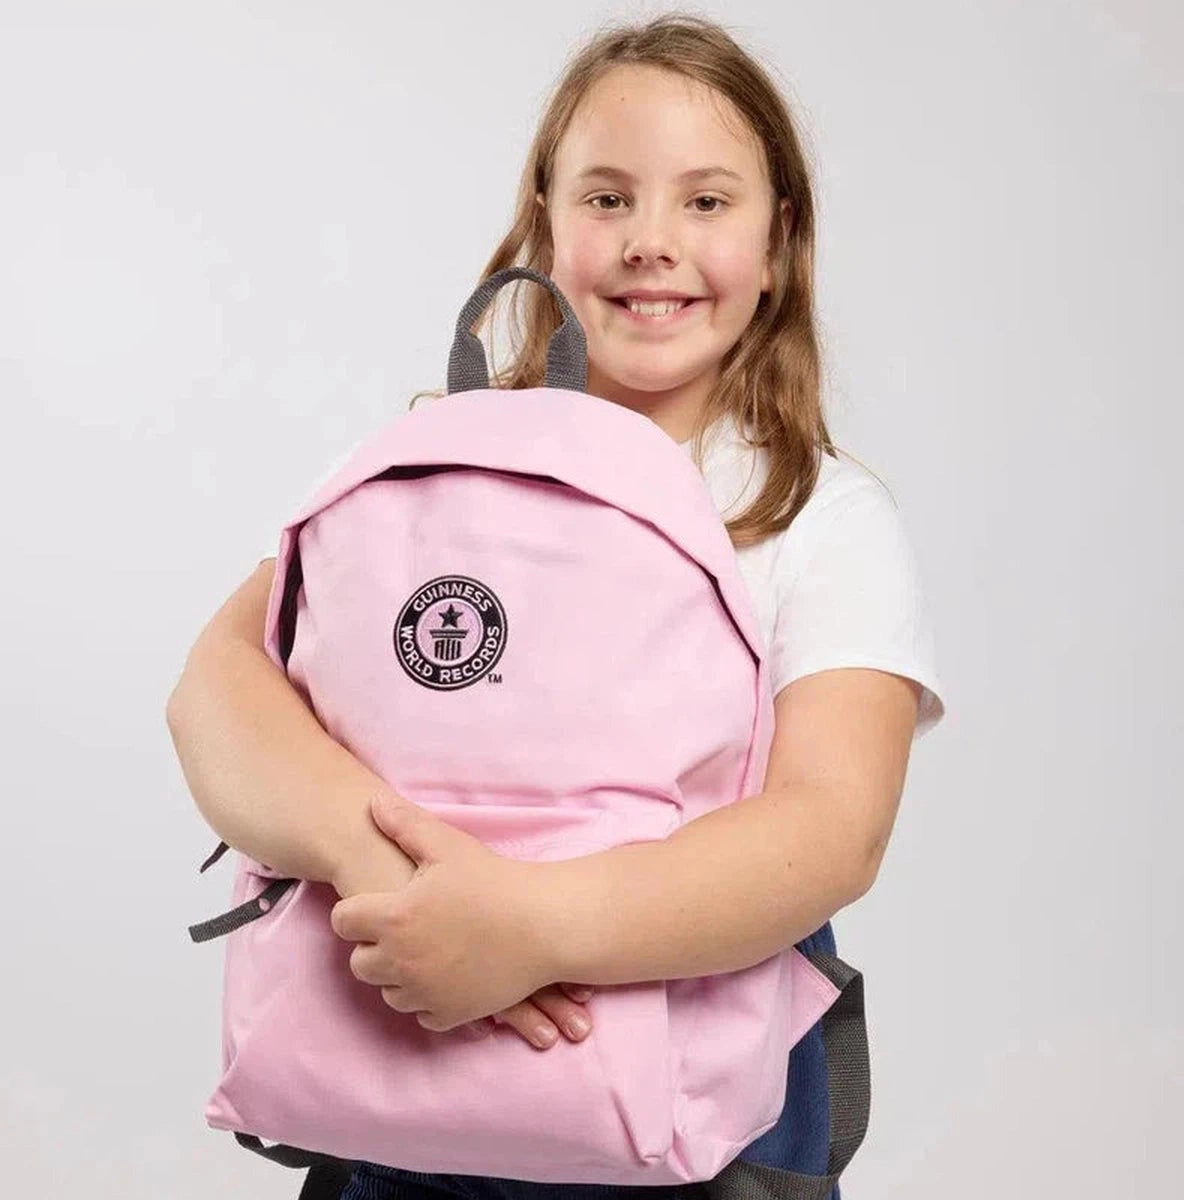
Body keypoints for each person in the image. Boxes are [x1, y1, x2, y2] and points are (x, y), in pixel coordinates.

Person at [167, 13, 946, 1200]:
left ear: (781, 242)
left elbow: (832, 831)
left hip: (692, 1137)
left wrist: (531, 928)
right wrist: (406, 892)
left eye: (706, 202)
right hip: (400, 1091)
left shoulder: (814, 516)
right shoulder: (439, 468)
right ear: (545, 217)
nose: (651, 243)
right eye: (606, 198)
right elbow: (216, 694)